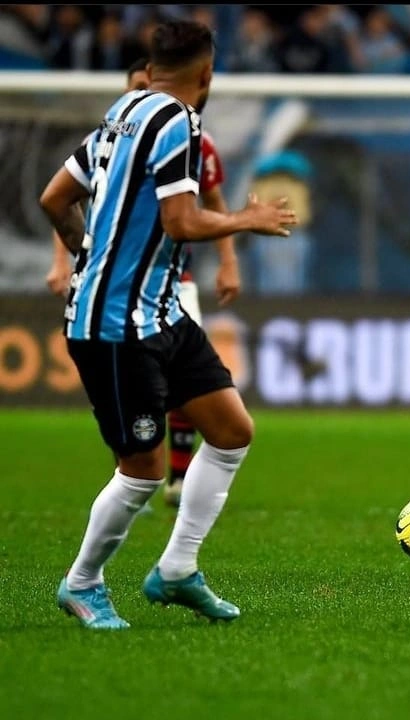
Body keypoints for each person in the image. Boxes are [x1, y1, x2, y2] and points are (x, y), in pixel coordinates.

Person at [39, 19, 297, 630]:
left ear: (152, 68)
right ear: (207, 75)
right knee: (143, 471)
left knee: (231, 429)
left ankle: (177, 570)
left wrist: (86, 257)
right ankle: (82, 584)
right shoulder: (179, 124)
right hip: (114, 325)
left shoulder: (121, 110)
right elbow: (181, 222)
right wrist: (244, 220)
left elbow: (55, 196)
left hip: (161, 311)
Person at [45, 56, 242, 510]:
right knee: (138, 397)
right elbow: (68, 202)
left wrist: (229, 260)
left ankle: (174, 475)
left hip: (174, 285)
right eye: (138, 85)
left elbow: (211, 199)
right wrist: (69, 260)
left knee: (191, 388)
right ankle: (136, 471)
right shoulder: (112, 137)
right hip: (116, 295)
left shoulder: (195, 141)